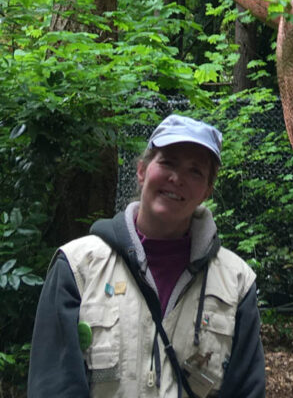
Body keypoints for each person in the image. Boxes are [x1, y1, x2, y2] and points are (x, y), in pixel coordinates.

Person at [28, 114, 266, 398]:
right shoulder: (78, 268)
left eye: (195, 171)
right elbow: (54, 387)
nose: (177, 178)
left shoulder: (236, 282)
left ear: (206, 192)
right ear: (141, 171)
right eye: (167, 162)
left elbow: (246, 390)